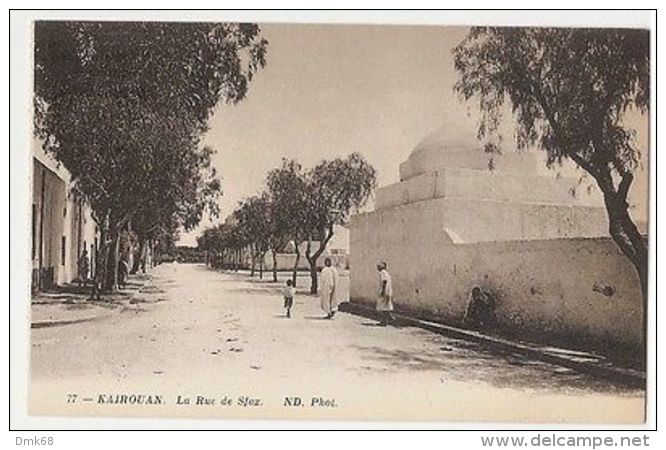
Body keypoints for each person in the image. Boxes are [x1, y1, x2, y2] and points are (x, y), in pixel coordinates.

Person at [376, 261, 394, 326]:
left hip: (385, 292)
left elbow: (384, 281)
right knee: (386, 307)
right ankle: (387, 319)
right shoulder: (386, 273)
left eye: (379, 266)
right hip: (388, 292)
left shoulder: (383, 273)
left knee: (383, 307)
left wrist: (383, 291)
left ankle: (387, 320)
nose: (377, 267)